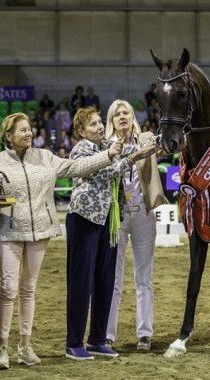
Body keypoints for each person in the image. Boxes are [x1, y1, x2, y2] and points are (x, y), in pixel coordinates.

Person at [0, 112, 125, 370]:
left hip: (39, 231)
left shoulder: (45, 157)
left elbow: (76, 167)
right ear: (8, 135)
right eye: (22, 130)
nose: (28, 133)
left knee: (28, 290)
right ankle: (2, 347)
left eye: (29, 129)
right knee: (8, 290)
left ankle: (25, 346)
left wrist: (108, 155)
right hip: (9, 232)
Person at [65, 106, 156, 361]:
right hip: (84, 220)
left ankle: (96, 339)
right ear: (81, 131)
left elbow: (131, 146)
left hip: (108, 221)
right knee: (81, 283)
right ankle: (73, 343)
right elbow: (106, 171)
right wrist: (132, 157)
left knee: (105, 281)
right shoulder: (81, 149)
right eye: (92, 124)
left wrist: (149, 143)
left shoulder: (108, 145)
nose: (99, 127)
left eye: (98, 122)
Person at [104, 99, 167, 352]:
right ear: (111, 120)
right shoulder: (105, 146)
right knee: (113, 279)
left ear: (133, 117)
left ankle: (144, 334)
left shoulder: (147, 139)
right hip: (116, 215)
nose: (122, 117)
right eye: (117, 114)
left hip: (143, 213)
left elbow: (169, 145)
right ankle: (107, 334)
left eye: (126, 113)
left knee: (145, 279)